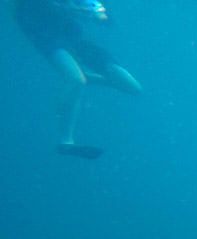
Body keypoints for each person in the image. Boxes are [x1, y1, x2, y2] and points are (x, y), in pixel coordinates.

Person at [13, 0, 141, 158]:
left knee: (133, 87)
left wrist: (100, 15)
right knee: (76, 80)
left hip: (76, 41)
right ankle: (66, 141)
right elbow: (30, 19)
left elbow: (101, 16)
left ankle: (76, 77)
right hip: (49, 39)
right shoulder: (27, 7)